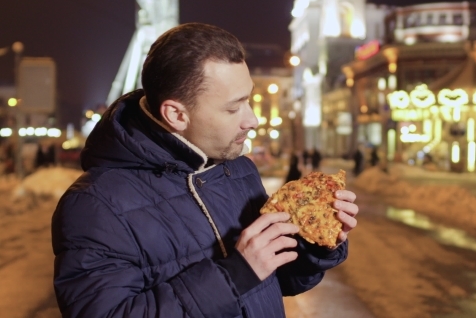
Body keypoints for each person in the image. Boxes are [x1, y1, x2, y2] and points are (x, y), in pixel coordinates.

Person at [51, 23, 359, 318]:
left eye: (248, 100)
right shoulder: (95, 206)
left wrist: (314, 241)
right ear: (176, 114)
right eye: (233, 107)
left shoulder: (239, 170)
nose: (252, 120)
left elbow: (280, 279)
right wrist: (235, 275)